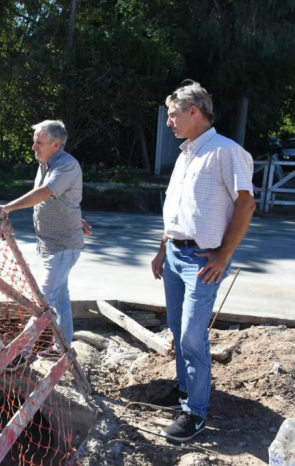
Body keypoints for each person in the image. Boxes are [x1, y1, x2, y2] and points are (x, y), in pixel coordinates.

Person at [150, 81, 255, 442]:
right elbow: (177, 210)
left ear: (195, 111)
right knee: (179, 331)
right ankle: (184, 393)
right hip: (177, 254)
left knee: (194, 335)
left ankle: (195, 413)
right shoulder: (186, 154)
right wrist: (163, 248)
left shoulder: (227, 152)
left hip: (202, 260)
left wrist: (224, 255)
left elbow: (246, 204)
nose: (169, 121)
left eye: (174, 113)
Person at [0, 120, 91, 363]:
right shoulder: (46, 163)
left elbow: (45, 193)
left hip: (63, 246)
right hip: (52, 245)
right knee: (61, 299)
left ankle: (19, 354)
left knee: (42, 302)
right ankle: (62, 347)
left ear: (56, 144)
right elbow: (64, 198)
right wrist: (77, 217)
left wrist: (7, 208)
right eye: (34, 141)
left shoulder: (66, 165)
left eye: (39, 142)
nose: (34, 146)